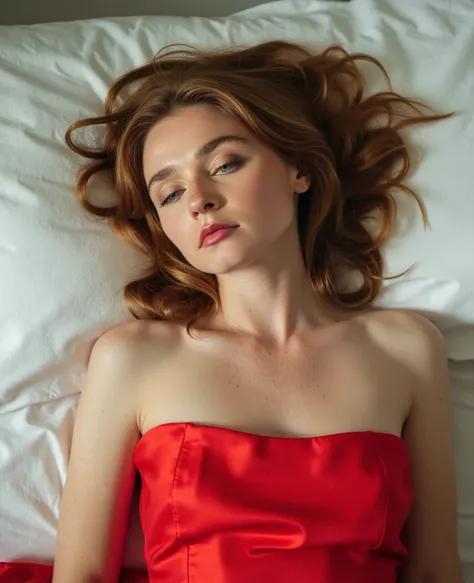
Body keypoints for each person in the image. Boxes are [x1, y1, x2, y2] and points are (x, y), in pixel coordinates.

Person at [0, 40, 464, 583]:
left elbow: (435, 570)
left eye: (225, 163)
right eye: (169, 194)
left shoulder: (406, 347)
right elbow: (82, 576)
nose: (198, 199)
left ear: (299, 170)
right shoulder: (133, 358)